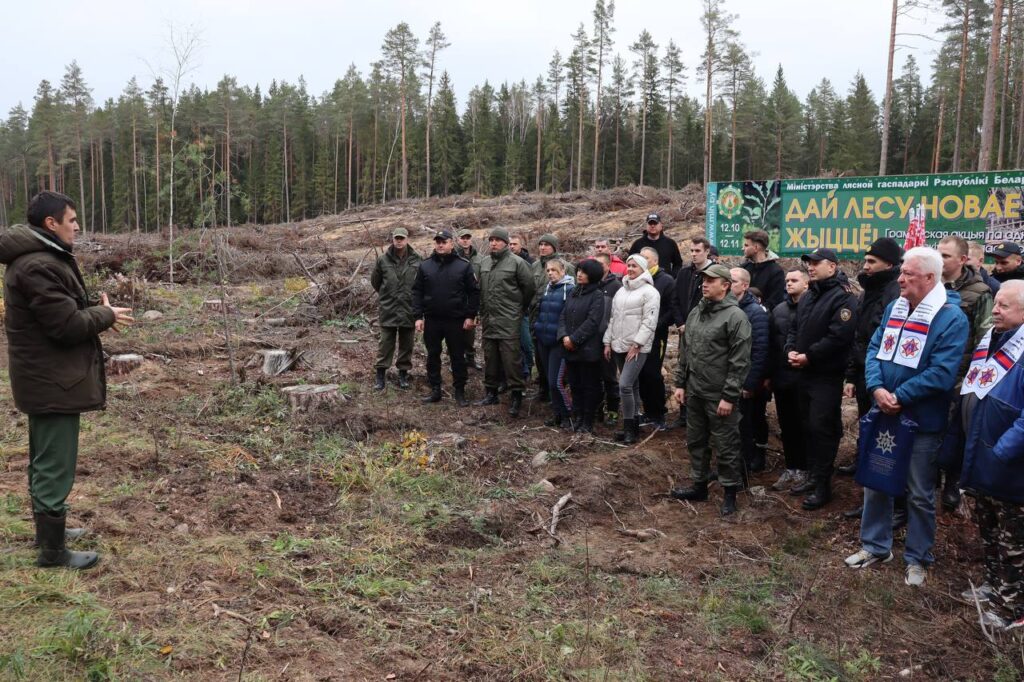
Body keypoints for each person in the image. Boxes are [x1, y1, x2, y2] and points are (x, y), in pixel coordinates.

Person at [1, 191, 134, 569]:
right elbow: (65, 325)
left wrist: (95, 312)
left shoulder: (39, 259)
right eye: (71, 220)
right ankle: (53, 552)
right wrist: (104, 315)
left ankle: (49, 533)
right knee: (55, 463)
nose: (76, 226)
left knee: (47, 459)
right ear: (51, 224)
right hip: (51, 382)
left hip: (48, 378)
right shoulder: (37, 266)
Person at [845, 247, 968, 588]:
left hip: (921, 421)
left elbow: (942, 373)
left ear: (930, 278)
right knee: (876, 482)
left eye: (908, 274)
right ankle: (875, 546)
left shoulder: (950, 318)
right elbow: (873, 349)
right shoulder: (894, 308)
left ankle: (917, 558)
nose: (899, 279)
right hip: (884, 412)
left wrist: (900, 395)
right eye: (901, 273)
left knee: (918, 493)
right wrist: (877, 388)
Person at [959, 280, 1024, 629]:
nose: (995, 310)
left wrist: (1001, 451)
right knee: (989, 531)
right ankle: (992, 584)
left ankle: (1013, 607)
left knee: (1013, 541)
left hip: (1009, 467)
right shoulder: (992, 340)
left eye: (1004, 306)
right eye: (996, 304)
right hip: (981, 455)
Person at [670, 264, 752, 516]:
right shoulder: (696, 312)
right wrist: (680, 382)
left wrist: (729, 396)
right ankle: (699, 485)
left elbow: (740, 361)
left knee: (726, 443)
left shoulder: (735, 317)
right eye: (703, 279)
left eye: (711, 280)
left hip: (719, 393)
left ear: (725, 285)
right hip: (695, 390)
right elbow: (687, 350)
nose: (704, 284)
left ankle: (729, 492)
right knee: (696, 440)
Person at [785, 248, 858, 511]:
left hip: (826, 375)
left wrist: (809, 356)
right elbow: (795, 328)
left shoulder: (844, 298)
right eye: (809, 264)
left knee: (822, 427)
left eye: (816, 263)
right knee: (807, 425)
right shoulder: (808, 296)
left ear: (832, 266)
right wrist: (791, 350)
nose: (811, 268)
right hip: (802, 373)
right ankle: (814, 475)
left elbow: (839, 337)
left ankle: (823, 486)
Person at [839, 237, 903, 519]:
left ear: (889, 264)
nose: (865, 267)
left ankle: (887, 504)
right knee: (868, 435)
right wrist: (853, 375)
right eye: (865, 261)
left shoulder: (894, 293)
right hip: (866, 376)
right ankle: (870, 497)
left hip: (884, 381)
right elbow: (859, 336)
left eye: (871, 262)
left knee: (885, 443)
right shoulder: (867, 292)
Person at [412, 230, 480, 406]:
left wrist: (470, 315)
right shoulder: (425, 266)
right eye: (437, 242)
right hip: (432, 319)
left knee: (458, 356)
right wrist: (418, 316)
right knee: (432, 354)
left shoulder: (463, 265)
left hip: (456, 320)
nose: (440, 245)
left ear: (451, 244)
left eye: (444, 242)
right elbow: (417, 291)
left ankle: (460, 391)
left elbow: (473, 292)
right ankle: (435, 389)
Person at [476, 227, 536, 416]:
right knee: (490, 356)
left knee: (511, 359)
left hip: (509, 319)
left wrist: (517, 309)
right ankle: (491, 392)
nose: (493, 243)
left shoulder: (517, 263)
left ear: (505, 242)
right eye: (491, 240)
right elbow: (481, 291)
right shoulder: (484, 263)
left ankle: (517, 395)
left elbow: (529, 289)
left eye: (497, 240)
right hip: (489, 319)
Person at [603, 254, 660, 444]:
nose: (630, 269)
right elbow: (613, 318)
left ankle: (628, 427)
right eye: (628, 265)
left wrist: (637, 344)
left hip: (636, 348)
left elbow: (649, 322)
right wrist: (607, 341)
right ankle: (633, 428)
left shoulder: (650, 292)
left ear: (643, 268)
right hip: (618, 345)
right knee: (632, 386)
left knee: (625, 385)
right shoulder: (621, 291)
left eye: (635, 266)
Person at [770, 270, 810, 491]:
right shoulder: (778, 310)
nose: (789, 284)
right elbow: (771, 345)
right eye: (786, 280)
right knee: (787, 425)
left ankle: (806, 468)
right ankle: (791, 466)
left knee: (805, 425)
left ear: (806, 284)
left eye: (794, 280)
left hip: (804, 378)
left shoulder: (813, 308)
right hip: (782, 378)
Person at [557, 259, 607, 433]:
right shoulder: (574, 292)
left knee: (589, 386)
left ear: (592, 275)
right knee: (575, 384)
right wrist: (564, 336)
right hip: (569, 348)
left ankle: (588, 420)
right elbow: (563, 315)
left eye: (584, 272)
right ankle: (577, 417)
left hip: (587, 350)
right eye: (578, 270)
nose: (579, 274)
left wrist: (574, 339)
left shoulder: (597, 295)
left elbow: (592, 321)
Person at [371, 227, 422, 390]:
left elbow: (421, 284)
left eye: (402, 238)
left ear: (407, 239)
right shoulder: (383, 260)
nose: (399, 241)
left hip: (409, 308)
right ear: (392, 239)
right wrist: (388, 295)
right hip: (389, 308)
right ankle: (380, 376)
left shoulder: (417, 259)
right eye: (396, 238)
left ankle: (403, 375)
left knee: (407, 344)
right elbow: (375, 281)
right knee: (385, 343)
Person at [730, 268, 771, 476]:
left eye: (733, 281)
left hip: (746, 379)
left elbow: (760, 350)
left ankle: (746, 467)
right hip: (728, 378)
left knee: (747, 424)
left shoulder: (756, 312)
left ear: (745, 285)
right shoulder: (724, 307)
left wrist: (750, 383)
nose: (728, 284)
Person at [529, 234, 575, 400]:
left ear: (554, 247)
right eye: (540, 244)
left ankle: (560, 393)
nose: (542, 247)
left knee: (557, 364)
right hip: (538, 317)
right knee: (540, 358)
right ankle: (544, 389)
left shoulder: (567, 266)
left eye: (547, 244)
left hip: (557, 321)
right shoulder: (534, 266)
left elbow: (571, 292)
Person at [636, 247, 676, 431]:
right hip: (637, 336)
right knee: (641, 373)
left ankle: (659, 413)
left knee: (653, 374)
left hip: (656, 335)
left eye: (646, 258)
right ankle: (648, 411)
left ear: (655, 261)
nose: (642, 261)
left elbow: (671, 309)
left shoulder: (666, 281)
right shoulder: (637, 280)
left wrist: (655, 326)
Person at [533, 259, 575, 427]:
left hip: (559, 342)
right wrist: (535, 328)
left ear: (563, 270)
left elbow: (571, 317)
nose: (550, 273)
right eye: (548, 270)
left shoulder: (571, 290)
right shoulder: (547, 289)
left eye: (554, 270)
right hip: (543, 340)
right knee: (549, 380)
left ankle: (567, 415)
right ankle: (557, 413)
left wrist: (565, 337)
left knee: (555, 381)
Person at [594, 253, 622, 425]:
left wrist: (610, 340)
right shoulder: (591, 284)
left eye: (599, 264)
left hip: (608, 339)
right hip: (591, 340)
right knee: (594, 377)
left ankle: (613, 411)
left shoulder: (616, 286)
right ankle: (597, 409)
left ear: (607, 265)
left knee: (609, 377)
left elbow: (617, 316)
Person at [456, 229, 483, 370]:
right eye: (462, 238)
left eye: (468, 237)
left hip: (472, 300)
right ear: (458, 240)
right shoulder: (453, 256)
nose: (465, 240)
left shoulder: (480, 258)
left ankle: (470, 358)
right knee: (455, 333)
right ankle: (457, 360)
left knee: (470, 332)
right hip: (456, 300)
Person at [742, 230, 786, 310]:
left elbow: (775, 301)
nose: (743, 248)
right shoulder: (743, 268)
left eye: (746, 245)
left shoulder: (776, 271)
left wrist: (759, 311)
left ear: (756, 248)